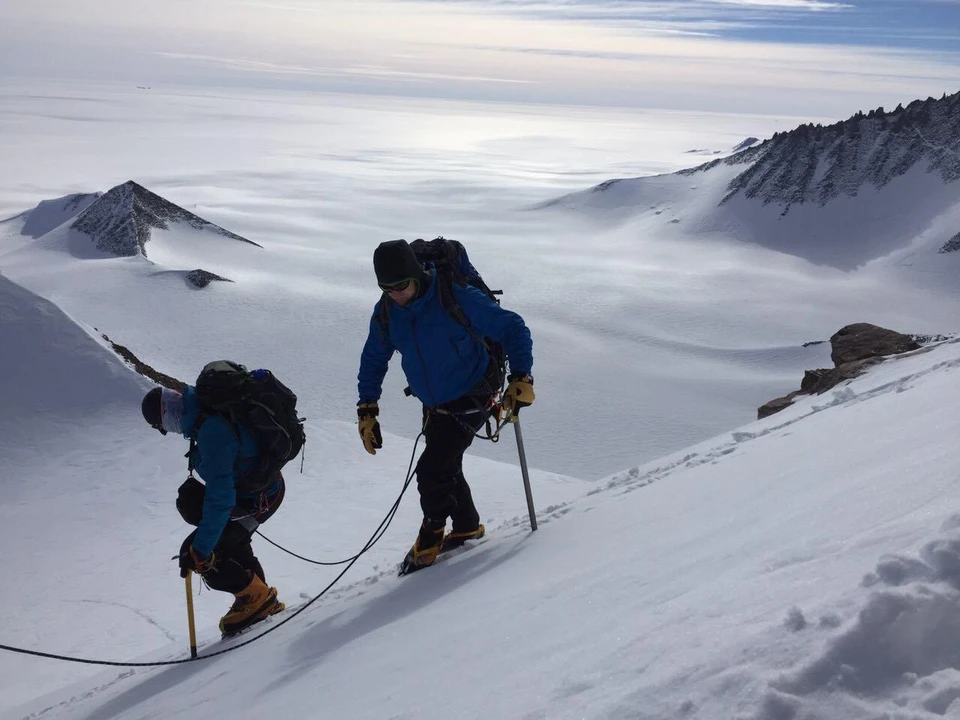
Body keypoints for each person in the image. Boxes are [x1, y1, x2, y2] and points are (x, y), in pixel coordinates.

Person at [357, 239, 536, 574]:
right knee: (445, 461)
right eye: (386, 288)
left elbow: (512, 327)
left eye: (401, 285)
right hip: (434, 400)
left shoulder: (453, 295)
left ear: (415, 274)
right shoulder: (386, 313)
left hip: (475, 390)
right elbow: (373, 359)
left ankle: (431, 534)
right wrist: (367, 407)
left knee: (432, 468)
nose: (396, 294)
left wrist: (521, 376)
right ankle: (467, 526)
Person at [141, 384, 286, 635]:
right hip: (259, 491)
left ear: (166, 415)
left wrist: (201, 548)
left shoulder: (211, 432)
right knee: (223, 539)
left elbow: (221, 499)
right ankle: (257, 596)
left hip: (256, 500)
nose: (169, 431)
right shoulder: (202, 413)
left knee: (200, 556)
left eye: (163, 426)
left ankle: (258, 600)